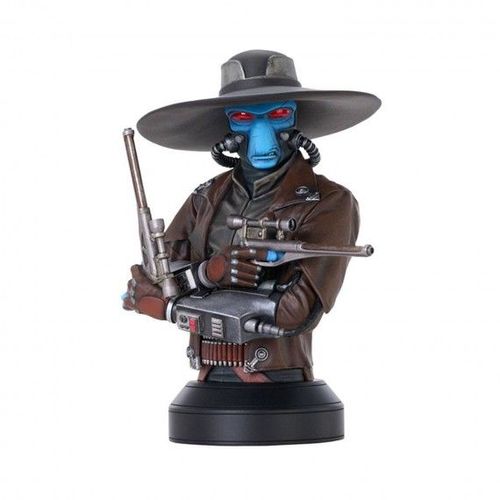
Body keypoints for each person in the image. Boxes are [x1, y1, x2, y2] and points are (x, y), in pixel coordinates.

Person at [122, 50, 381, 383]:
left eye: (278, 114)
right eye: (244, 117)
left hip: (276, 377)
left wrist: (174, 305)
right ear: (229, 126)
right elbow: (150, 282)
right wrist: (209, 273)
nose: (262, 134)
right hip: (208, 375)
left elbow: (292, 313)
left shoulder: (329, 201)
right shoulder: (206, 197)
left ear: (295, 119)